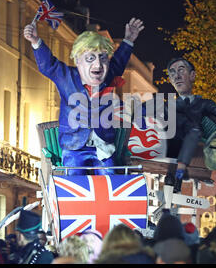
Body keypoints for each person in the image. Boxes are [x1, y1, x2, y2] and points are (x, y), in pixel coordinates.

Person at [24, 18, 144, 175]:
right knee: (75, 181)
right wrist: (35, 41)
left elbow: (119, 61)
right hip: (75, 148)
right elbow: (49, 65)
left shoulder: (108, 76)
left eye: (103, 58)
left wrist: (128, 40)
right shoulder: (66, 76)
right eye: (90, 58)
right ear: (78, 61)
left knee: (110, 180)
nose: (98, 65)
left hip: (103, 148)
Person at [164, 57, 216, 192]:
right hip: (173, 142)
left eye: (181, 70)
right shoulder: (169, 106)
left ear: (192, 76)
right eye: (173, 73)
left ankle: (178, 177)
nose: (177, 76)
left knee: (192, 132)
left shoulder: (202, 103)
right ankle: (172, 176)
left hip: (194, 142)